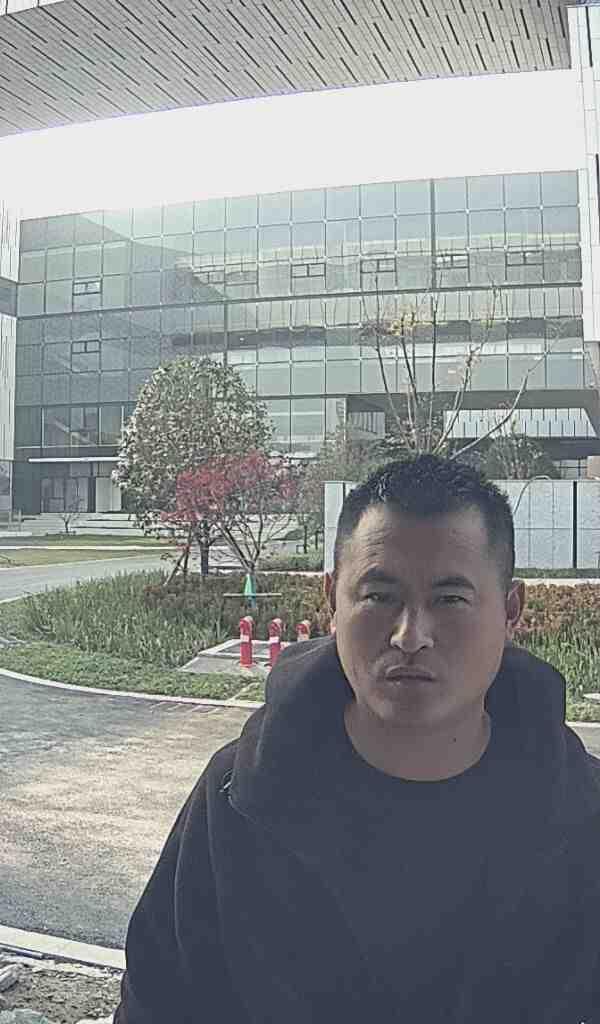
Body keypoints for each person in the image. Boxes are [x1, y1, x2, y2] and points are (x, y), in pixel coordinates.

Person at [114, 454, 600, 1023]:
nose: (411, 636)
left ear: (510, 610)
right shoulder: (238, 800)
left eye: (450, 599)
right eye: (379, 596)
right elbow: (158, 1002)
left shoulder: (582, 815)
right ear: (332, 601)